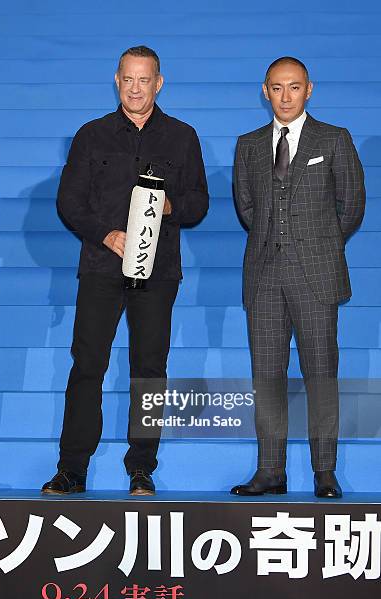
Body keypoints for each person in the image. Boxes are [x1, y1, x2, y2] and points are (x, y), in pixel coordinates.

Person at [42, 45, 209, 496]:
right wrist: (106, 234)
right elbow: (69, 202)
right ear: (117, 81)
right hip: (101, 266)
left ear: (159, 82)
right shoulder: (91, 135)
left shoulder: (182, 136)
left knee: (150, 369)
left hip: (158, 273)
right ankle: (72, 469)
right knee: (87, 366)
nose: (136, 88)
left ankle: (142, 468)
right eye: (128, 79)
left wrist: (172, 206)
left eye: (145, 79)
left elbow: (199, 202)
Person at [231, 57, 365, 498]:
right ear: (264, 91)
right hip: (264, 274)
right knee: (266, 375)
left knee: (321, 374)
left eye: (294, 87)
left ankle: (324, 471)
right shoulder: (248, 145)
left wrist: (318, 244)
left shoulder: (334, 139)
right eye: (276, 87)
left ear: (309, 90)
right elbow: (247, 207)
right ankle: (271, 471)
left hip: (315, 275)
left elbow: (352, 206)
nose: (285, 96)